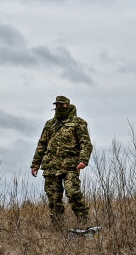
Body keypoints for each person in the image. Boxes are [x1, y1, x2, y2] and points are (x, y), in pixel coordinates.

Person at [30, 95, 93, 226]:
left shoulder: (78, 123)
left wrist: (84, 160)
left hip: (70, 165)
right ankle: (58, 227)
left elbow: (85, 144)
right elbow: (42, 145)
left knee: (73, 192)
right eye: (57, 105)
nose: (59, 107)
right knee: (53, 198)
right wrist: (35, 164)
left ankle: (83, 222)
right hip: (51, 166)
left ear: (68, 106)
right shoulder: (50, 124)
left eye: (62, 105)